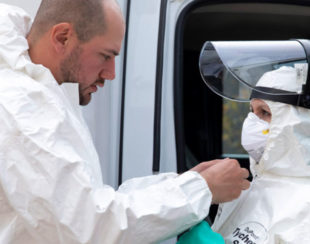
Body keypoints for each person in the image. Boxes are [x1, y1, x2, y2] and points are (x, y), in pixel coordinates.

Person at [0, 1, 250, 243]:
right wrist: (200, 189)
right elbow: (89, 228)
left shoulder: (39, 93)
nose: (111, 73)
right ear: (62, 37)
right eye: (105, 56)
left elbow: (89, 204)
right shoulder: (24, 108)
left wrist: (186, 183)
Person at [186, 40, 310, 243]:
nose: (251, 121)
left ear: (300, 126)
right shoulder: (246, 190)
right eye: (251, 111)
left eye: (264, 112)